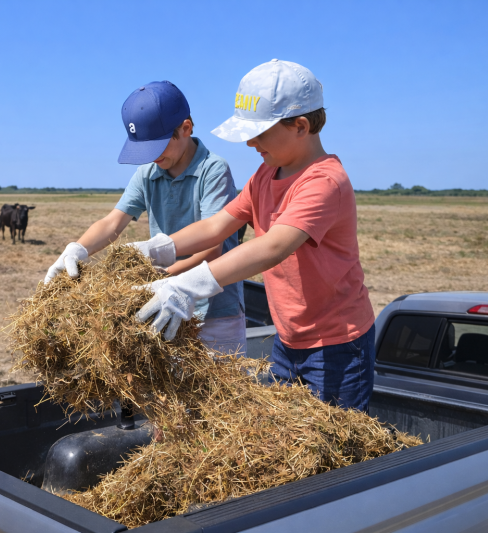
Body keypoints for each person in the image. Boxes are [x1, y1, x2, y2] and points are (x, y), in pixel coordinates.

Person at [132, 60, 376, 412]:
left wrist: (188, 285)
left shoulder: (324, 182)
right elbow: (217, 226)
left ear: (300, 126)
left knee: (337, 453)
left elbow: (273, 247)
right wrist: (155, 250)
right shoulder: (265, 174)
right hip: (288, 339)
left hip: (337, 345)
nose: (249, 142)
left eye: (259, 133)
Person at [44, 81, 246, 355]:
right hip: (162, 303)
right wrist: (78, 248)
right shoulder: (148, 173)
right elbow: (113, 223)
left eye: (158, 146)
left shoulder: (213, 171)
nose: (152, 157)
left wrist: (165, 279)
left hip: (214, 312)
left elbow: (213, 247)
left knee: (218, 393)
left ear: (185, 129)